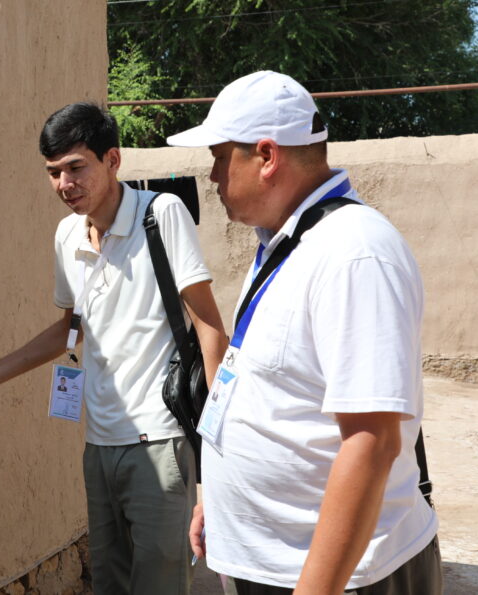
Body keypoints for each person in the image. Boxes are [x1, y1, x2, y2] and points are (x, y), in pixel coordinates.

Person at [0, 102, 228, 595]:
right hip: (98, 446)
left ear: (113, 160)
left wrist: (218, 454)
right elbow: (71, 328)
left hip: (161, 442)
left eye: (76, 167)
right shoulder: (67, 234)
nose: (65, 184)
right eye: (54, 172)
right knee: (109, 585)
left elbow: (211, 328)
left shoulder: (161, 214)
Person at [173, 71, 442, 595]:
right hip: (274, 562)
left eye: (220, 157)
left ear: (266, 156)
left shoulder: (353, 253)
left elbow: (372, 443)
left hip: (337, 577)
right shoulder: (288, 241)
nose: (212, 175)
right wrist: (225, 502)